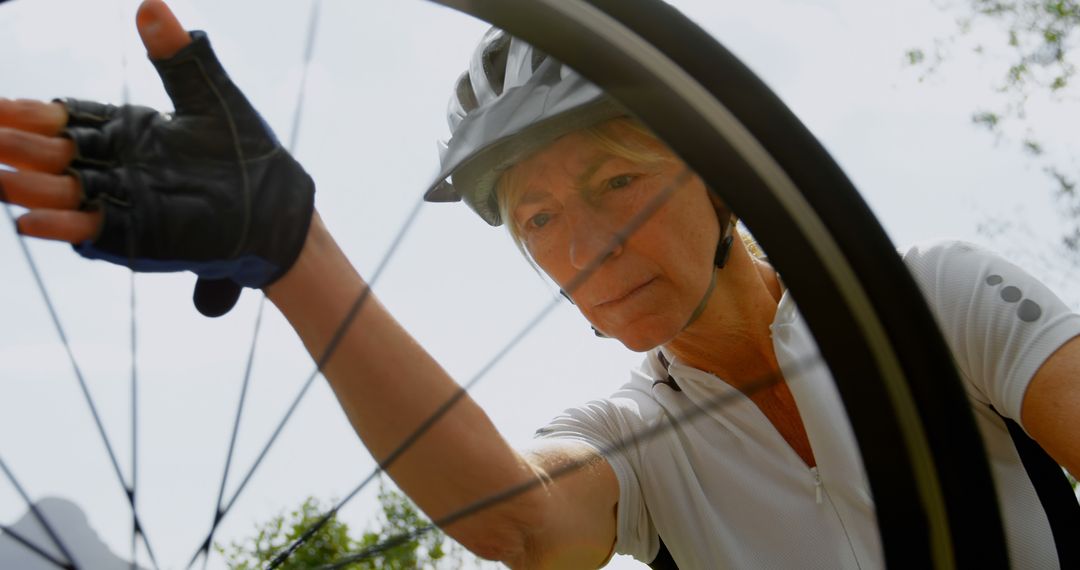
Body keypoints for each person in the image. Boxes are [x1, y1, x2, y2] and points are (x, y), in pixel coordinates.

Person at [2, 1, 1078, 567]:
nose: (586, 250)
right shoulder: (630, 438)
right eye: (539, 220)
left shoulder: (938, 298)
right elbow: (520, 523)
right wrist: (297, 259)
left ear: (719, 174)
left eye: (618, 183)